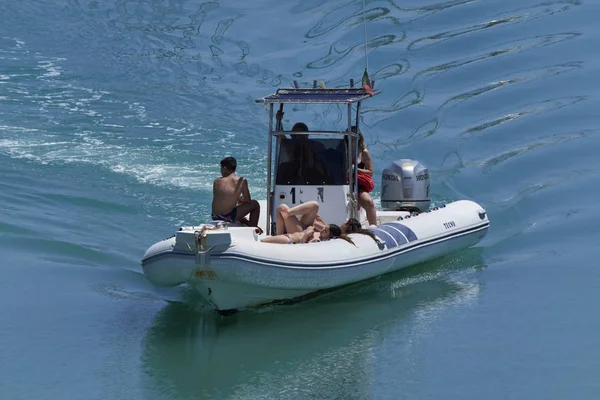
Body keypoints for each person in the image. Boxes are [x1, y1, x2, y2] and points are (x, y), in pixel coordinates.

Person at [211, 156, 260, 227]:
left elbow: (222, 197)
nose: (221, 170)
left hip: (215, 216)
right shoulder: (241, 181)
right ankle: (252, 227)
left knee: (233, 208)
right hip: (228, 217)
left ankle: (243, 221)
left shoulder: (217, 181)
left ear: (224, 168)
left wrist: (238, 199)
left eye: (221, 168)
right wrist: (241, 199)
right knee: (255, 204)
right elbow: (247, 200)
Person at [352, 127, 377, 226]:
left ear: (359, 137)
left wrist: (357, 170)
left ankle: (374, 228)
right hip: (341, 182)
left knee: (369, 202)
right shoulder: (341, 150)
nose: (352, 138)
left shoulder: (364, 152)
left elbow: (370, 172)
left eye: (354, 136)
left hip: (357, 184)